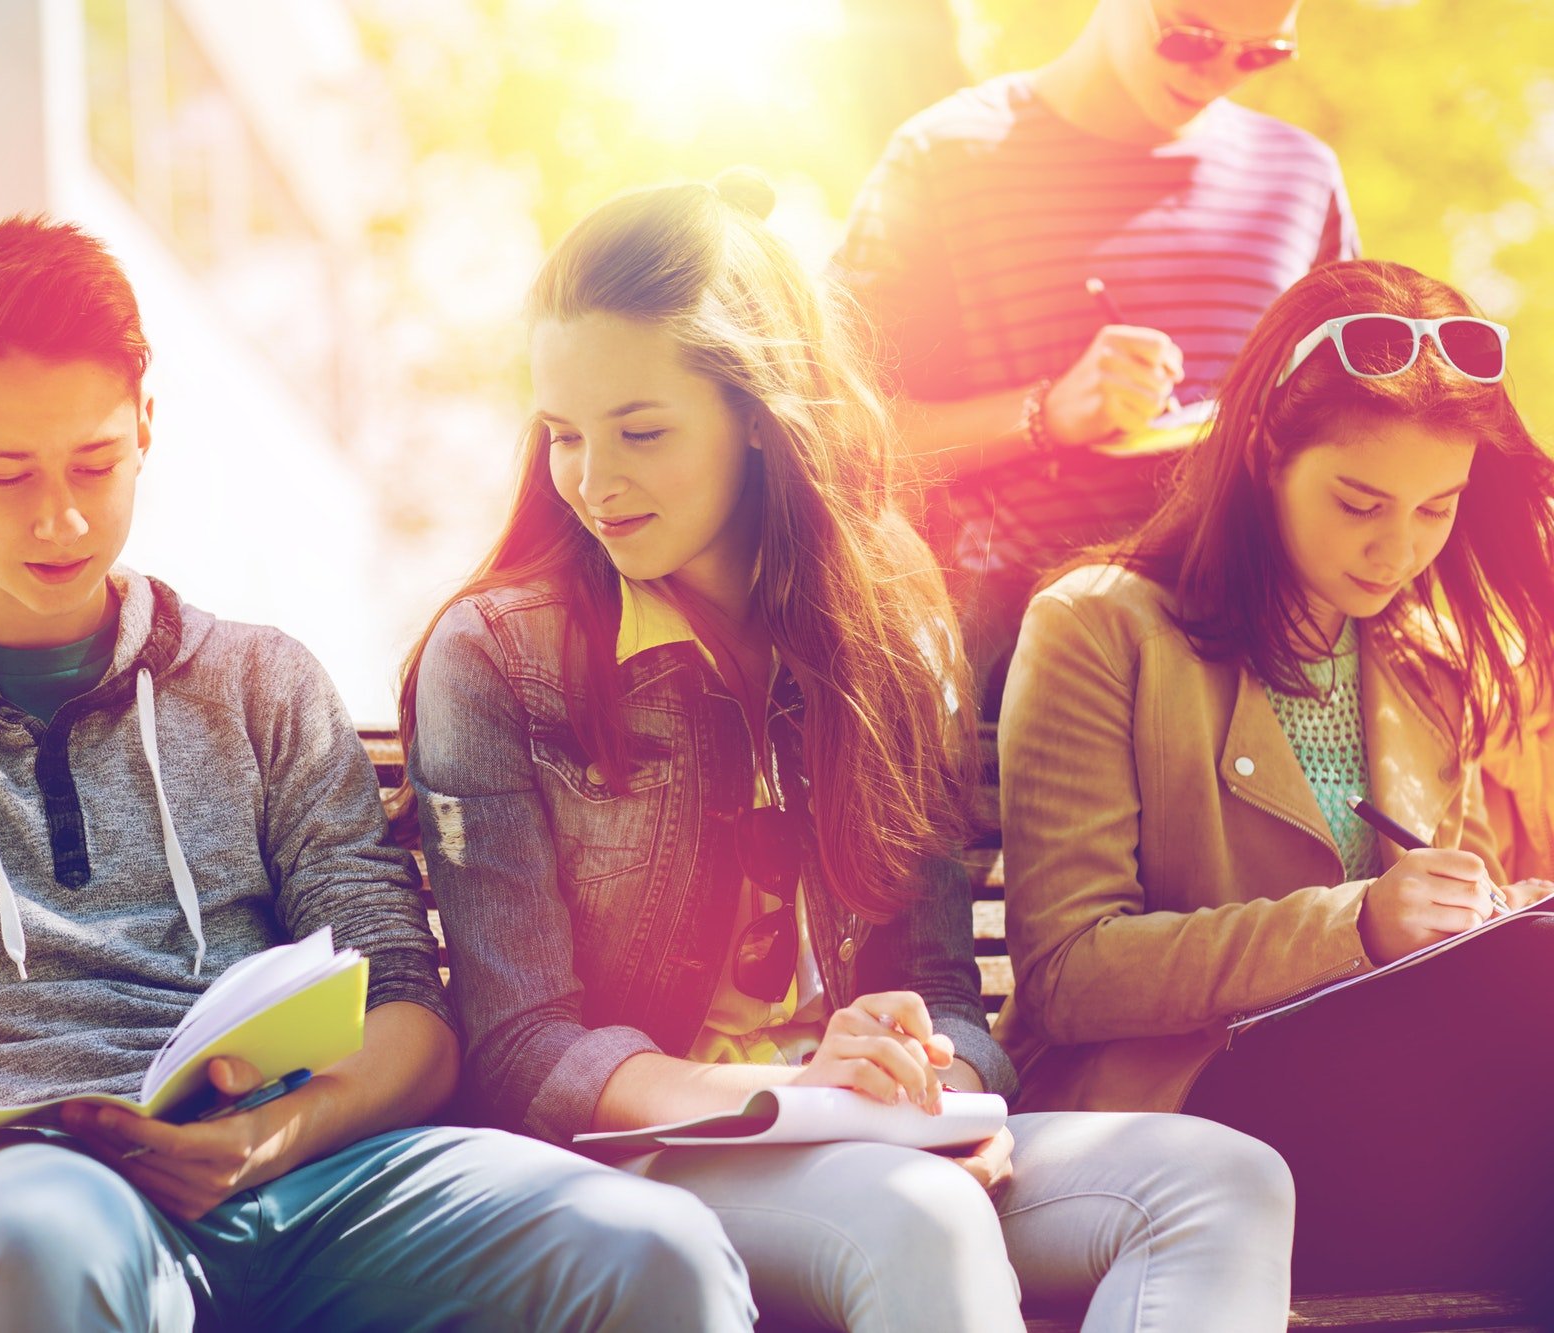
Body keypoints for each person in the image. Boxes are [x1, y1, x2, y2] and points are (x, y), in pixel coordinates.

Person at [0, 215, 756, 1333]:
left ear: (146, 429)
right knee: (37, 1242)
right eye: (6, 475)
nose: (59, 515)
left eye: (94, 463)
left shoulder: (258, 686)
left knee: (653, 1248)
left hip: (311, 1179)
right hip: (33, 1191)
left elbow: (413, 1021)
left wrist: (263, 1141)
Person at [402, 171, 1295, 1332]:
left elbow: (937, 983)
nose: (592, 482)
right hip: (636, 1161)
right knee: (916, 1210)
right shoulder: (494, 657)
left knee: (1223, 1181)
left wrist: (940, 1086)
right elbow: (524, 1051)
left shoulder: (892, 619)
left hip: (867, 1142)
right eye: (563, 435)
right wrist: (796, 1094)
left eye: (639, 432)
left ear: (758, 417)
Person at [996, 257, 1554, 1299]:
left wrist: (1478, 918)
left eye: (1435, 510)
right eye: (1357, 502)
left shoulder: (1428, 659)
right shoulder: (1098, 627)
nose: (1394, 550)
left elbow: (1442, 932)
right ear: (1261, 453)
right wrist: (1355, 925)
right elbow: (1069, 975)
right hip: (1172, 1116)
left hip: (1395, 1106)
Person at [831, 0, 1358, 715]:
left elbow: (1353, 425)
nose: (1220, 72)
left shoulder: (1302, 176)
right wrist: (1044, 414)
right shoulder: (945, 155)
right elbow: (842, 435)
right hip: (1010, 679)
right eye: (1191, 38)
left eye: (1260, 53)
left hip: (1252, 674)